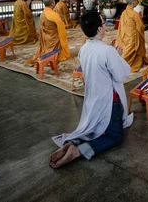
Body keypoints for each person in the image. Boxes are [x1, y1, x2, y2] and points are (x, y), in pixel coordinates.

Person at [50, 11, 132, 168]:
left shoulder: (84, 49)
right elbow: (120, 75)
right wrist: (118, 56)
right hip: (109, 101)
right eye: (102, 23)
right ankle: (78, 151)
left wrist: (114, 55)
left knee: (92, 128)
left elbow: (98, 69)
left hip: (92, 99)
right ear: (101, 29)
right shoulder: (107, 51)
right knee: (115, 135)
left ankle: (71, 143)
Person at [25, 0, 70, 66]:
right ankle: (54, 54)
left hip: (45, 38)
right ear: (52, 4)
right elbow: (61, 29)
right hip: (53, 39)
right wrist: (62, 21)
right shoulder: (53, 15)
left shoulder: (42, 14)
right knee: (61, 38)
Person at [116, 0, 148, 72]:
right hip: (132, 37)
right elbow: (140, 27)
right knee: (132, 49)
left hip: (125, 36)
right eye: (136, 0)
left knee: (126, 49)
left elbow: (121, 25)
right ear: (133, 3)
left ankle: (119, 61)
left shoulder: (124, 13)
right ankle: (120, 63)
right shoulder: (135, 14)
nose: (137, 2)